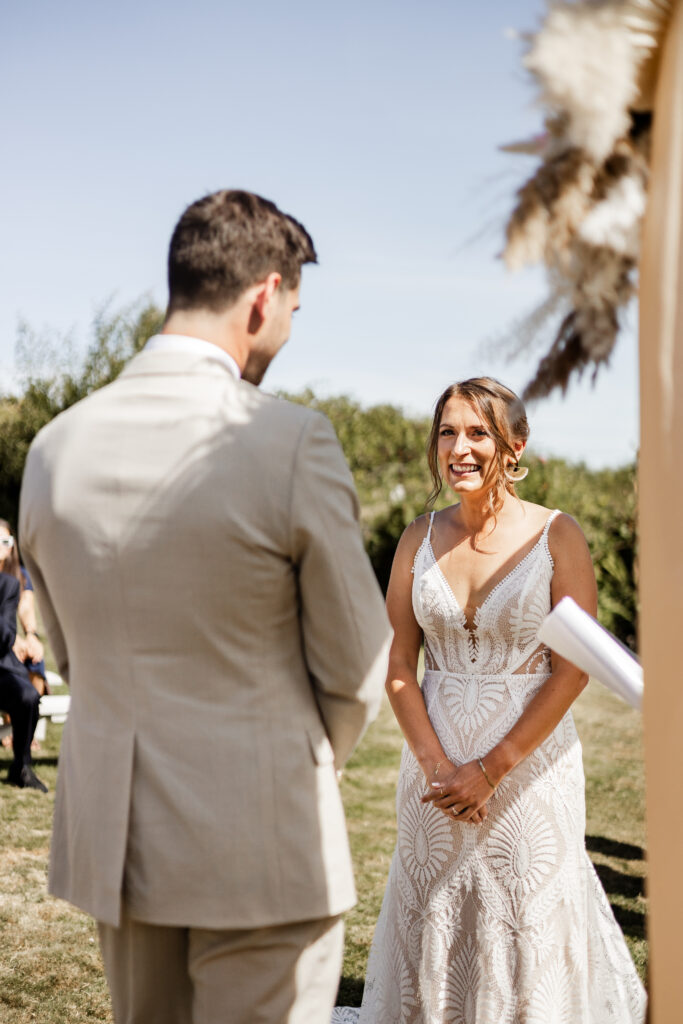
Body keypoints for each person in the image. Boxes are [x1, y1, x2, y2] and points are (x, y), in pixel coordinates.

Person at [19, 189, 391, 1024]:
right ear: (264, 296)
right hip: (265, 841)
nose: (287, 332)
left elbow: (72, 653)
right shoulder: (290, 440)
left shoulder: (53, 449)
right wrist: (296, 763)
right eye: (292, 309)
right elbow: (358, 662)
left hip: (120, 846)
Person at [333, 378, 646, 1023]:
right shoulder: (415, 539)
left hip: (528, 774)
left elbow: (574, 668)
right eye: (447, 431)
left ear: (514, 445)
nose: (460, 448)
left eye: (478, 432)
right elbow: (398, 664)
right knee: (438, 918)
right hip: (434, 776)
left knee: (522, 921)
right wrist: (438, 767)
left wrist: (490, 770)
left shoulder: (558, 536)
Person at [0, 520, 46, 790]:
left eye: (5, 542)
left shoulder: (10, 583)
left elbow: (6, 631)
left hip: (2, 665)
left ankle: (22, 765)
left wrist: (31, 637)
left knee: (27, 694)